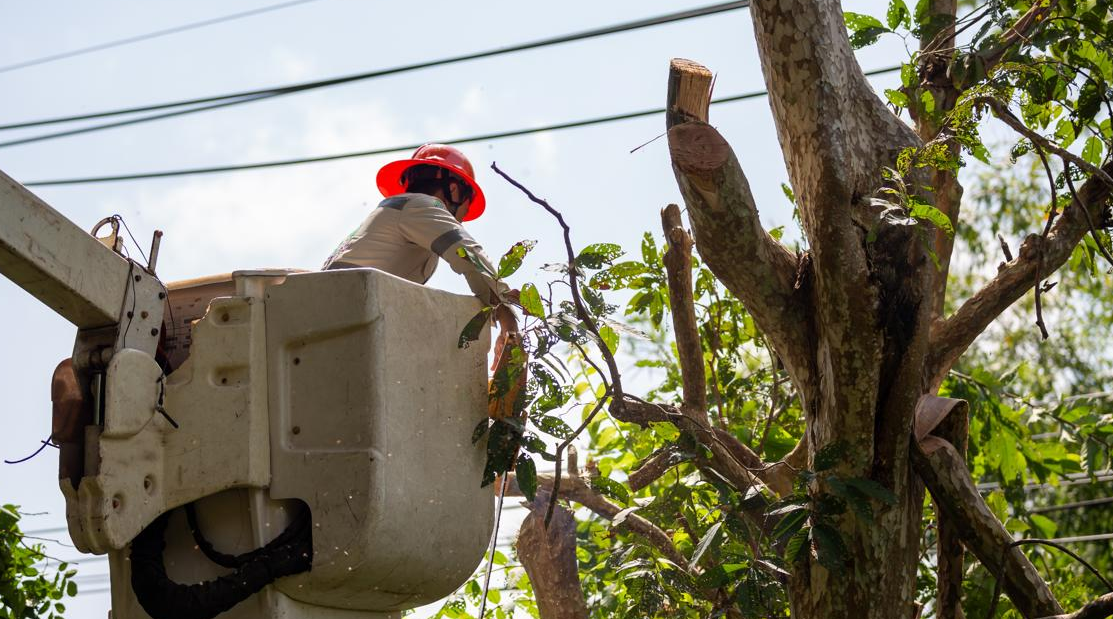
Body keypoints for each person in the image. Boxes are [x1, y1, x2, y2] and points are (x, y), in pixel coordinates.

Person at [323, 144, 512, 307]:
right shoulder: (421, 205)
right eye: (467, 203)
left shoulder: (399, 210)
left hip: (335, 305)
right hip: (347, 306)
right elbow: (468, 254)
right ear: (454, 190)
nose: (462, 218)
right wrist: (505, 311)